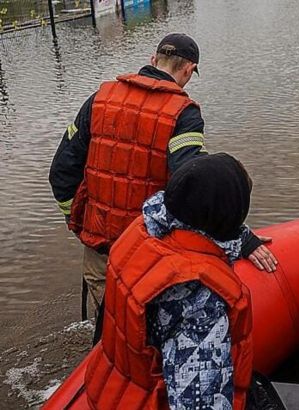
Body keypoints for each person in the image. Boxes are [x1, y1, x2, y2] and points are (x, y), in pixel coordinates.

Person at [49, 33, 276, 319]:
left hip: (100, 253)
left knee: (110, 334)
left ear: (153, 60)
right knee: (148, 343)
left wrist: (81, 223)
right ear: (189, 69)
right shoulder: (183, 114)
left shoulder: (100, 99)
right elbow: (195, 189)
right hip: (149, 256)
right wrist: (240, 238)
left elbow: (61, 172)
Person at [85, 154, 262, 410]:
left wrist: (241, 240)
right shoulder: (199, 300)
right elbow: (200, 400)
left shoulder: (141, 233)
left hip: (110, 388)